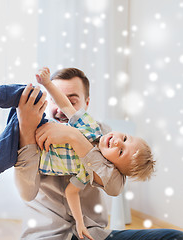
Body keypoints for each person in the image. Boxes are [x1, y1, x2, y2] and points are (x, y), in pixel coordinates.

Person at [14, 67, 183, 239]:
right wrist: (25, 132)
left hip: (93, 234)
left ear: (86, 103)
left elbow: (115, 186)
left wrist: (73, 136)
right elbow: (26, 193)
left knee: (177, 237)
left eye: (72, 101)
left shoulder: (102, 133)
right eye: (55, 98)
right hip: (47, 235)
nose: (61, 109)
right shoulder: (32, 134)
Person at [35, 67, 155, 239]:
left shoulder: (86, 172)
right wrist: (46, 83)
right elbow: (65, 105)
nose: (117, 141)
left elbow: (73, 192)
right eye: (126, 139)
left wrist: (80, 222)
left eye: (120, 151)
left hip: (86, 233)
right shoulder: (91, 128)